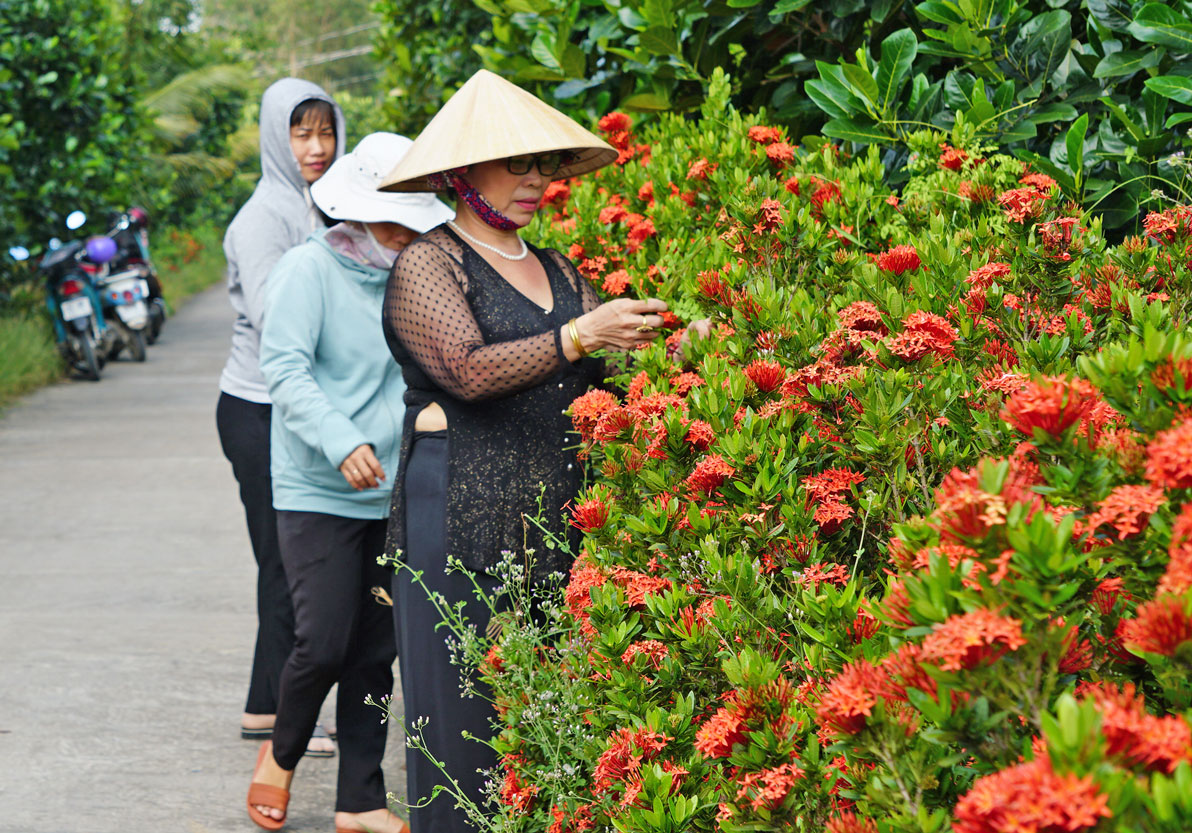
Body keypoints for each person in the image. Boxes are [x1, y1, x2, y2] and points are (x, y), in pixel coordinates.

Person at [376, 69, 675, 833]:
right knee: (462, 726)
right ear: (460, 174)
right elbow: (468, 370)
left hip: (551, 519)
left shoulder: (557, 266)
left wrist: (675, 339)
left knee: (546, 732)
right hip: (459, 511)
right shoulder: (428, 264)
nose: (534, 179)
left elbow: (599, 364)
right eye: (515, 163)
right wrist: (579, 332)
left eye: (541, 164)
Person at [246, 132, 454, 833]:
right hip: (317, 487)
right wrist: (341, 441)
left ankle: (359, 798)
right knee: (323, 641)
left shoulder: (420, 278)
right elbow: (285, 370)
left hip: (394, 486)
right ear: (358, 212)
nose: (403, 234)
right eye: (391, 218)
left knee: (375, 649)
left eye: (414, 221)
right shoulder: (310, 269)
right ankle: (280, 755)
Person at [216, 77, 345, 756]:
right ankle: (290, 713)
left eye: (325, 131)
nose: (316, 147)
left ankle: (265, 705)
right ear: (276, 136)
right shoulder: (263, 218)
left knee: (284, 558)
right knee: (289, 561)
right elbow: (279, 324)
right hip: (258, 408)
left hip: (295, 407)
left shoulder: (323, 207)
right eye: (301, 133)